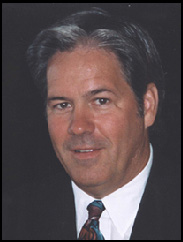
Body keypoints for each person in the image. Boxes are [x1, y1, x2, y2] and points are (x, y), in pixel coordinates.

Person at [2, 8, 180, 240]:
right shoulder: (13, 219)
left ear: (147, 106)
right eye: (62, 105)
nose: (78, 127)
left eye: (101, 101)